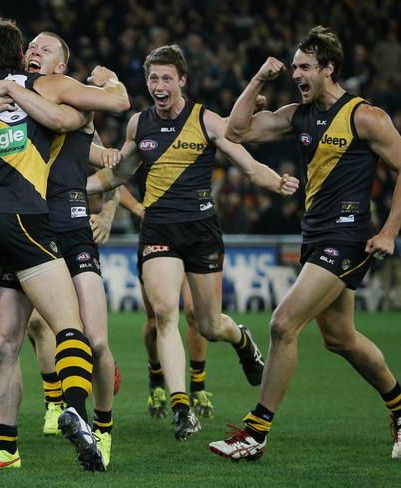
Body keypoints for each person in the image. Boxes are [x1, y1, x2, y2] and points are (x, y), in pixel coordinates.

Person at [0, 18, 129, 472]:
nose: (36, 52)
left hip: (28, 223)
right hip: (27, 220)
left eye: (46, 47)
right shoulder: (27, 88)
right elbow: (69, 119)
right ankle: (36, 435)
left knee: (68, 339)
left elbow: (110, 119)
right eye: (31, 46)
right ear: (20, 52)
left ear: (62, 63)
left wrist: (109, 203)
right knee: (36, 335)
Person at [87, 44, 299, 441]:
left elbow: (247, 164)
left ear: (182, 80)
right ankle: (181, 407)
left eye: (167, 78)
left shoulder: (206, 120)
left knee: (209, 325)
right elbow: (118, 174)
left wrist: (277, 181)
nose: (159, 85)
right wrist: (74, 188)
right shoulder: (139, 124)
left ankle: (240, 338)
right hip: (159, 230)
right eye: (153, 78)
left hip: (201, 231)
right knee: (165, 313)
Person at [209, 26, 401, 461]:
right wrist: (259, 79)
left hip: (349, 237)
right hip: (315, 234)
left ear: (329, 68)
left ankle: (255, 433)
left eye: (305, 67)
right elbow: (235, 133)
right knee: (340, 338)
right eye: (294, 66)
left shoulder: (365, 117)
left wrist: (389, 230)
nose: (297, 73)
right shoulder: (298, 113)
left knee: (282, 323)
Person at [119, 183, 216, 419]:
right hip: (156, 235)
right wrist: (137, 207)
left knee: (194, 313)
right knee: (154, 320)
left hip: (191, 232)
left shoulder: (194, 147)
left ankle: (198, 386)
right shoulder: (145, 146)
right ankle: (156, 378)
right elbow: (114, 179)